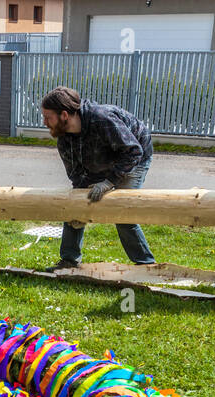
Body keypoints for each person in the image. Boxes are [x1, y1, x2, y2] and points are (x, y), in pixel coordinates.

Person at [39, 86, 156, 272]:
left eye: (47, 117)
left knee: (123, 211)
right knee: (74, 206)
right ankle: (69, 261)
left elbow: (133, 151)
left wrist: (110, 182)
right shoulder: (63, 138)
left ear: (64, 115)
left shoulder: (102, 119)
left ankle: (146, 264)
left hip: (134, 156)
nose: (44, 121)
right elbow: (76, 175)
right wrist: (79, 209)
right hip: (103, 158)